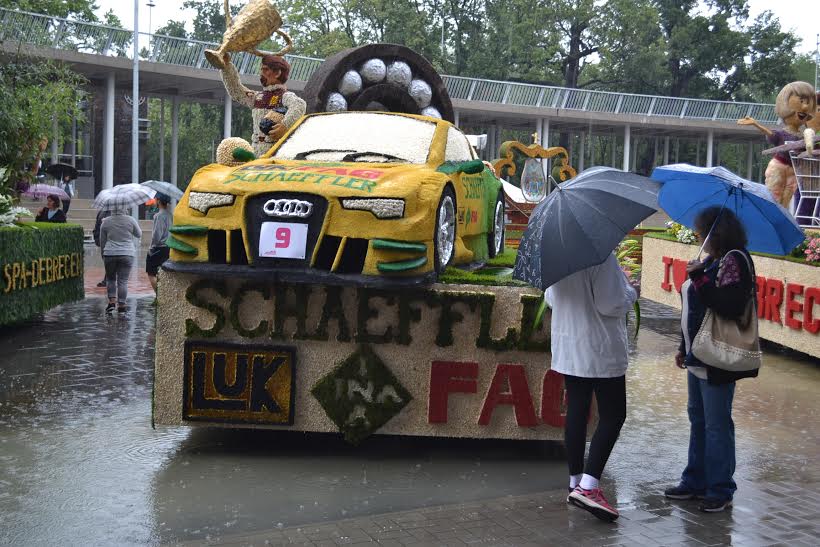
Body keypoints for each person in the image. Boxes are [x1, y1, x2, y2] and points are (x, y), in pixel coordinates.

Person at [665, 206, 758, 513]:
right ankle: (695, 481)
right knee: (699, 420)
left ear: (715, 233)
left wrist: (698, 278)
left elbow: (729, 306)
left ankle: (720, 488)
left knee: (717, 424)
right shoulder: (711, 261)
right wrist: (683, 346)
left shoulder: (734, 260)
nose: (698, 236)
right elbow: (695, 310)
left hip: (718, 356)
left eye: (702, 231)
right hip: (698, 354)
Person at [546, 252, 638, 522]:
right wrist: (632, 291)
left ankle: (575, 482)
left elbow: (550, 298)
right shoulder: (601, 258)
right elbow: (611, 304)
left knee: (577, 409)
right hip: (600, 348)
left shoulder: (557, 257)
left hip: (570, 346)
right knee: (613, 415)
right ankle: (588, 486)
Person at [737, 81, 816, 209]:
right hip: (778, 166)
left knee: (786, 198)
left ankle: (781, 217)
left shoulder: (803, 135)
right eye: (801, 101)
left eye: (808, 102)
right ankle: (770, 214)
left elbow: (807, 149)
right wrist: (755, 124)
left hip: (793, 170)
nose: (805, 107)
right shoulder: (782, 133)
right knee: (774, 195)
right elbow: (771, 134)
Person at [219, 52, 306, 156]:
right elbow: (236, 91)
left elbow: (299, 105)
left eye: (265, 69)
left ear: (277, 73)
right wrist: (226, 67)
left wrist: (285, 126)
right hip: (256, 153)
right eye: (261, 69)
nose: (261, 73)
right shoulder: (257, 97)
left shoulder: (285, 96)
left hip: (278, 154)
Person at [99, 207, 142, 314]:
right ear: (124, 208)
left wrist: (103, 254)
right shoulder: (130, 220)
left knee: (110, 279)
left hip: (110, 253)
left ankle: (112, 302)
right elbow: (139, 234)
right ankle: (122, 305)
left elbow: (102, 240)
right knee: (123, 280)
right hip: (127, 253)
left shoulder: (106, 221)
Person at [146, 193, 172, 294]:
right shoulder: (170, 215)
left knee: (151, 273)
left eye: (156, 200)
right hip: (168, 248)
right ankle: (163, 294)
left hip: (159, 248)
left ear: (159, 201)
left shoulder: (159, 216)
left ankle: (159, 295)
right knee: (162, 273)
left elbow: (157, 235)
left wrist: (151, 248)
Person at [93, 208, 112, 287]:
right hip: (103, 240)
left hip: (112, 241)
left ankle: (107, 280)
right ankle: (107, 279)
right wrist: (96, 237)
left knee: (110, 261)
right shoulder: (101, 212)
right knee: (106, 260)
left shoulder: (116, 212)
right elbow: (97, 226)